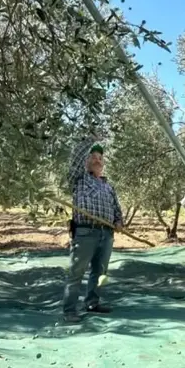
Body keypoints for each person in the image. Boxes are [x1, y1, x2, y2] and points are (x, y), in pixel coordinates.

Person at [61, 136, 123, 323]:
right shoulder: (78, 180)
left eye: (100, 157)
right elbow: (76, 159)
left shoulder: (107, 185)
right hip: (85, 232)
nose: (97, 159)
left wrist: (119, 221)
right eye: (93, 156)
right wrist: (89, 141)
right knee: (76, 272)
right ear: (86, 161)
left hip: (106, 234)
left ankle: (92, 303)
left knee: (100, 271)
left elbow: (116, 208)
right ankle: (69, 310)